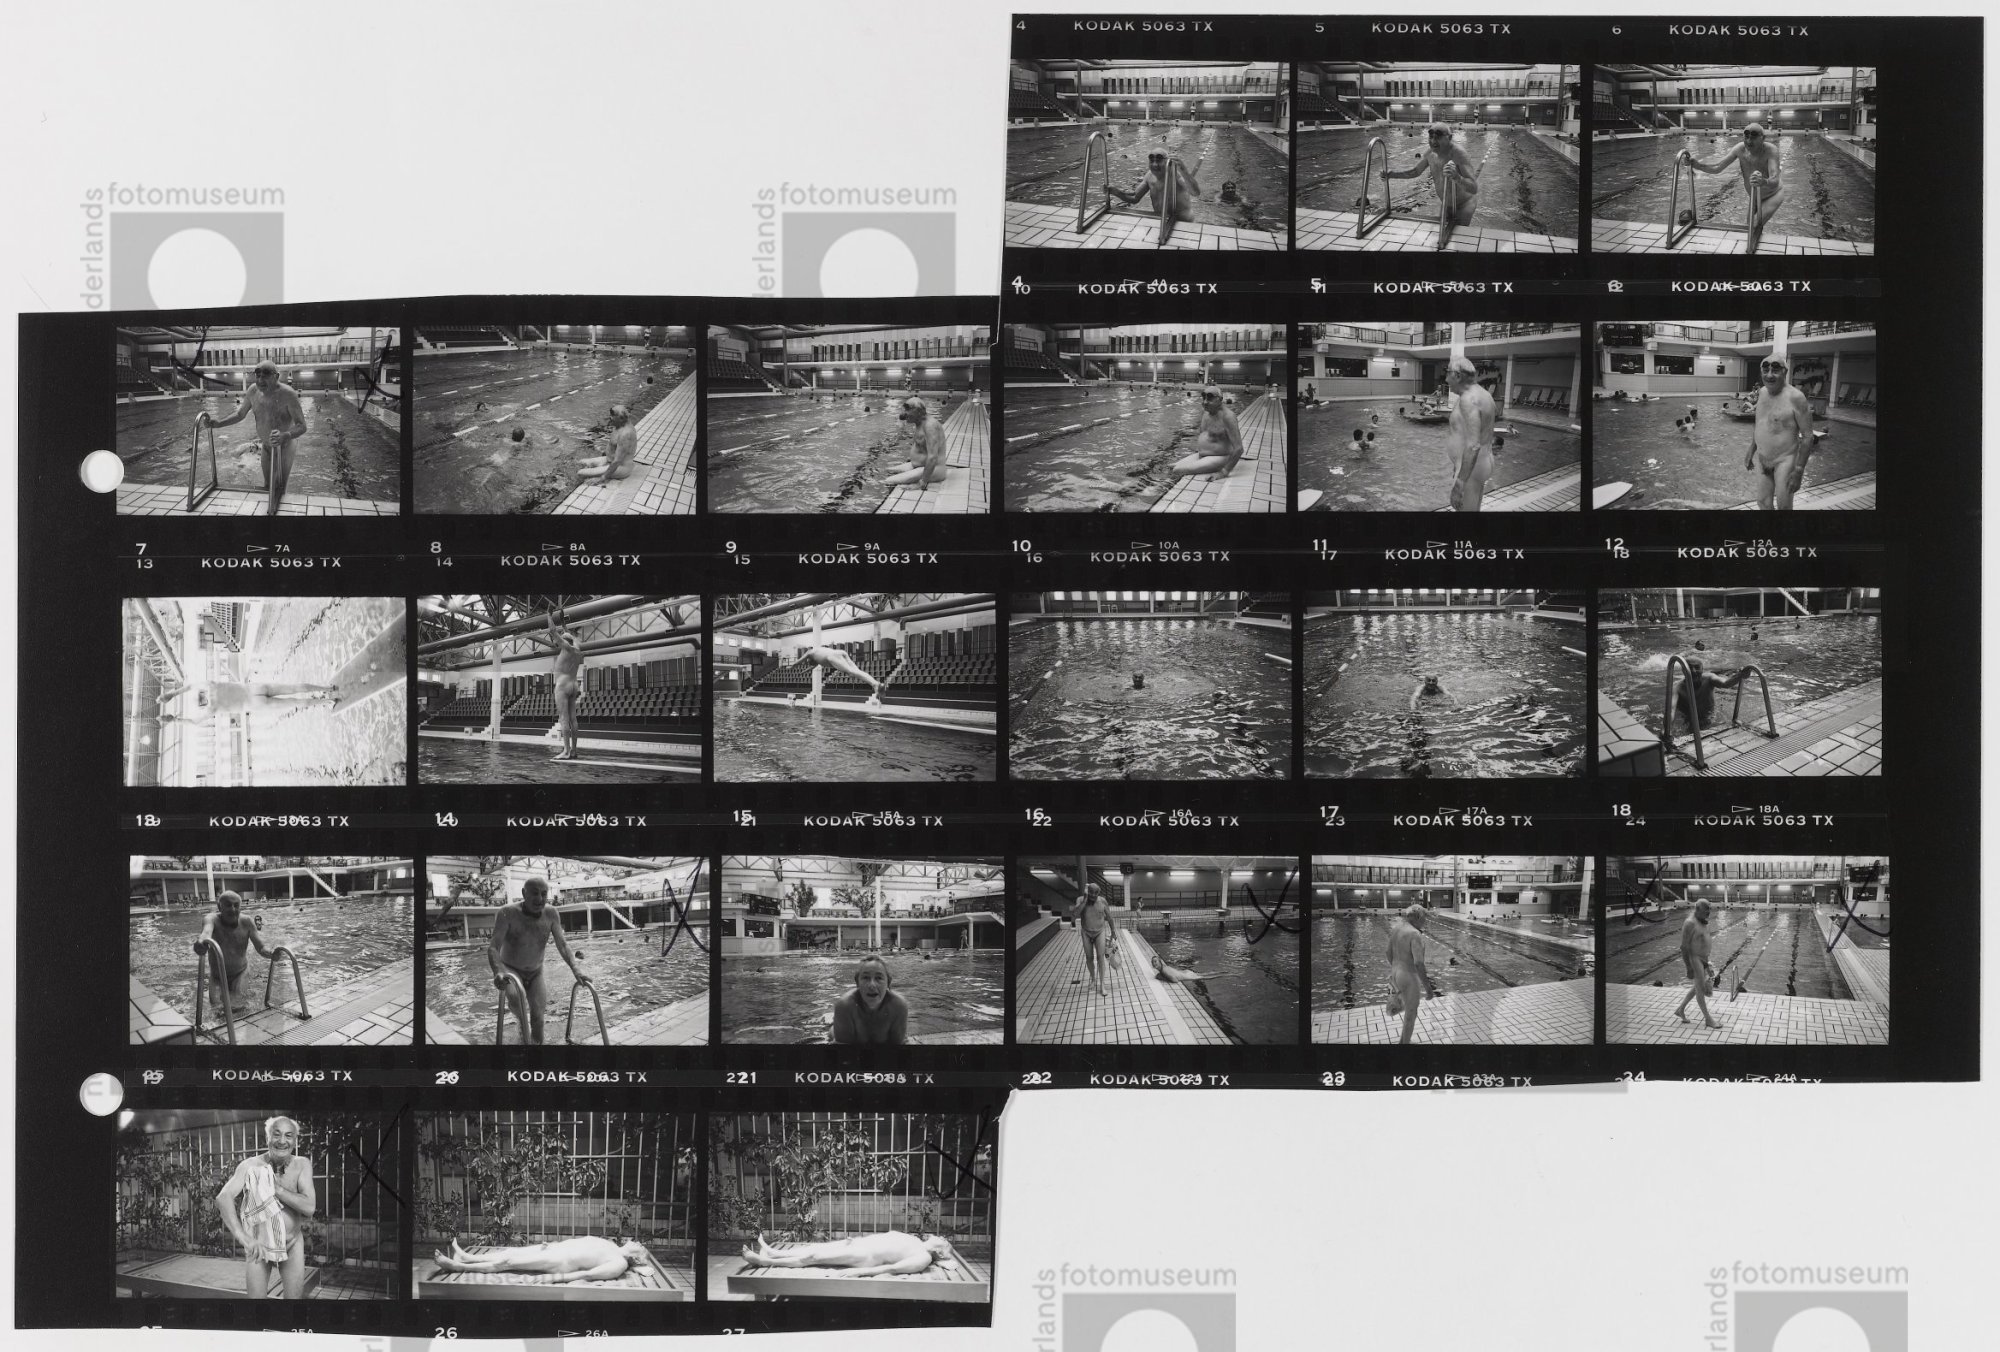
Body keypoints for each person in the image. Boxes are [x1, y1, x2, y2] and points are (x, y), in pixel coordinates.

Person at [215, 1116, 314, 1299]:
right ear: (267, 1137)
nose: (282, 1141)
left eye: (288, 1135)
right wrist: (245, 1238)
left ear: (295, 1140)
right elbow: (223, 1198)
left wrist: (276, 1189)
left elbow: (309, 1207)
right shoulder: (250, 1166)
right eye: (276, 1134)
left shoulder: (302, 1164)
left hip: (292, 1243)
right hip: (259, 1244)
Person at [487, 876, 591, 1045]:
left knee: (538, 1018)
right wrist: (498, 971)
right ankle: (522, 1030)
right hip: (511, 969)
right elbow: (493, 947)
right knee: (518, 1003)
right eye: (535, 893)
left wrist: (576, 969)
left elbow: (563, 945)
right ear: (524, 893)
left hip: (536, 972)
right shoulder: (507, 913)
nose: (540, 899)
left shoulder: (551, 914)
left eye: (544, 894)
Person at [199, 359, 307, 516]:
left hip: (285, 447)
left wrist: (285, 435)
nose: (260, 380)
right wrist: (219, 423)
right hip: (267, 447)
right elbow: (240, 414)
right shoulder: (252, 391)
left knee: (281, 488)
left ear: (276, 376)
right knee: (267, 486)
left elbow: (302, 426)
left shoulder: (288, 394)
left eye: (266, 375)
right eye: (257, 375)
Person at [1683, 123, 1784, 233]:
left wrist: (1763, 181)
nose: (1749, 141)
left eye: (1753, 137)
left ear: (1763, 138)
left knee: (1753, 226)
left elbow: (1775, 179)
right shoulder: (1739, 149)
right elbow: (1717, 167)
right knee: (1749, 226)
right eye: (1746, 137)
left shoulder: (1771, 150)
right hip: (1754, 196)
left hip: (1773, 195)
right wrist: (1697, 165)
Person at [1743, 355, 1815, 510]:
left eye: (1775, 370)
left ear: (1785, 372)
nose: (1769, 375)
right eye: (1765, 370)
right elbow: (1760, 424)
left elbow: (1808, 436)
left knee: (1784, 507)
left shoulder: (1796, 398)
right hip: (1762, 458)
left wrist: (1799, 470)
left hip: (1784, 460)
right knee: (1763, 502)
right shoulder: (1762, 392)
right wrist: (1751, 450)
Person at [193, 889, 280, 1014]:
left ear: (240, 907)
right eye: (228, 905)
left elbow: (261, 947)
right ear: (219, 907)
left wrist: (271, 954)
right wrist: (201, 943)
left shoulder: (247, 922)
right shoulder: (211, 919)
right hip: (217, 976)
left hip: (240, 973)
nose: (233, 909)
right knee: (217, 1010)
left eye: (236, 905)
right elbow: (206, 933)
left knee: (238, 1006)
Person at [1383, 124, 1484, 228]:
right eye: (1431, 137)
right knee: (1440, 232)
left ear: (1449, 138)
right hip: (1446, 204)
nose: (1433, 141)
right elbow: (1416, 171)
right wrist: (1393, 174)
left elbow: (1474, 188)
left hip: (1464, 204)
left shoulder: (1459, 154)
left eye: (1438, 137)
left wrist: (1457, 177)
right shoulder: (1430, 153)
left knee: (1458, 235)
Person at [738, 1230, 953, 1278]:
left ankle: (763, 1261)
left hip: (864, 1257)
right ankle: (773, 1252)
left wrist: (859, 1273)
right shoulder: (917, 1241)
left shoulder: (924, 1257)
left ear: (940, 1254)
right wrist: (856, 1241)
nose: (941, 1237)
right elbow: (886, 1238)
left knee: (813, 1259)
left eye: (944, 1241)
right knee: (815, 1248)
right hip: (860, 1245)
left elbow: (893, 1268)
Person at [432, 1236, 651, 1283]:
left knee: (508, 1263)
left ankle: (458, 1266)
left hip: (559, 1262)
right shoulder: (612, 1245)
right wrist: (554, 1245)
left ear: (637, 1259)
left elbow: (587, 1274)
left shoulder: (619, 1263)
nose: (637, 1242)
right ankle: (468, 1257)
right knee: (510, 1252)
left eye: (641, 1246)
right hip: (556, 1249)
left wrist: (555, 1279)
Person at [1443, 355, 1496, 511]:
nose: (1446, 379)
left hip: (1472, 469)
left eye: (1448, 373)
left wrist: (1460, 482)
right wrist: (1457, 464)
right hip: (1482, 462)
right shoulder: (1485, 394)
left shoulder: (1468, 400)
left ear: (1457, 376)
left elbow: (1473, 445)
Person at [533, 610, 586, 761]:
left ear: (564, 641)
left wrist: (549, 615)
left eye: (561, 639)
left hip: (563, 685)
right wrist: (563, 623)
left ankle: (566, 751)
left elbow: (552, 631)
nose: (559, 641)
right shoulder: (577, 648)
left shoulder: (566, 647)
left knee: (564, 718)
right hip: (574, 685)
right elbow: (570, 635)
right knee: (573, 719)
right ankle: (574, 751)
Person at [1168, 385, 1246, 481]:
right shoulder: (1206, 413)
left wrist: (1223, 472)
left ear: (1220, 399)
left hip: (1220, 457)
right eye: (1204, 397)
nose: (1205, 402)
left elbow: (1239, 449)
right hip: (1202, 455)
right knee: (1171, 467)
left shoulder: (1228, 417)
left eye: (1210, 398)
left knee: (1177, 470)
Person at [830, 953, 909, 1044]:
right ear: (857, 983)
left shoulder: (898, 1006)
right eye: (866, 977)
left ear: (888, 983)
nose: (872, 985)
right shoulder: (845, 1005)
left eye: (879, 978)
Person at [1108, 148, 1200, 222]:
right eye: (1152, 161)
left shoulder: (1176, 174)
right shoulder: (1149, 176)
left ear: (1167, 162)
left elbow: (1195, 192)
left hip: (1183, 222)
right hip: (1162, 220)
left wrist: (1184, 170)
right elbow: (1135, 198)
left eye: (1158, 161)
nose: (1155, 165)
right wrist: (1116, 192)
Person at [1385, 904, 1432, 1045]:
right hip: (1408, 976)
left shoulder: (1397, 929)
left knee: (1408, 1007)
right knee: (1411, 1013)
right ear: (1418, 917)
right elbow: (1419, 963)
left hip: (1395, 973)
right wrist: (1428, 988)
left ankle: (1403, 1041)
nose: (1425, 922)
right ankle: (1404, 1045)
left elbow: (1388, 953)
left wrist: (1397, 968)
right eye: (1424, 918)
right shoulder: (1415, 934)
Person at [1672, 899, 1723, 1028]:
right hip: (1694, 959)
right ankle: (1708, 1019)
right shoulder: (1690, 923)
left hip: (1703, 959)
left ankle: (1680, 1010)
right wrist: (1688, 967)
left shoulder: (1702, 921)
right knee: (1700, 989)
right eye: (1706, 910)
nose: (1709, 913)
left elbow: (1703, 943)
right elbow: (1684, 947)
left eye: (1709, 910)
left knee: (1697, 987)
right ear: (1698, 909)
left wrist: (1707, 963)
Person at [1670, 657, 1750, 734]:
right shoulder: (1677, 688)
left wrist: (1740, 675)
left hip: (1711, 717)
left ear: (1702, 669)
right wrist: (1667, 729)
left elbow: (1725, 683)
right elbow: (1671, 710)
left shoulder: (1709, 678)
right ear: (1683, 670)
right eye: (1689, 668)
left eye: (1697, 667)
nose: (1693, 671)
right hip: (1690, 721)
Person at [883, 396, 949, 488]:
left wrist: (923, 481)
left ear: (918, 411)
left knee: (888, 481)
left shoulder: (930, 426)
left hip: (933, 469)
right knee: (887, 470)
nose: (904, 414)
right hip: (918, 466)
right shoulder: (919, 423)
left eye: (907, 410)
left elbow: (932, 457)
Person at [802, 646, 885, 706]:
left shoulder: (812, 653)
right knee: (856, 672)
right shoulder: (819, 653)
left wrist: (794, 667)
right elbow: (814, 665)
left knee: (851, 672)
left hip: (834, 656)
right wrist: (804, 671)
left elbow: (799, 662)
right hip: (841, 652)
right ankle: (875, 684)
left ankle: (875, 684)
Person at [578, 404, 637, 482]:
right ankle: (601, 468)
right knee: (581, 462)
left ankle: (605, 474)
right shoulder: (619, 425)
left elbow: (617, 461)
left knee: (580, 473)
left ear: (621, 418)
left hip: (621, 467)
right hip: (609, 460)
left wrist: (603, 477)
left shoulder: (626, 434)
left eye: (613, 416)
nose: (610, 418)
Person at [1075, 883, 1116, 996]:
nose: (1093, 895)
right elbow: (1075, 914)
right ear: (1087, 891)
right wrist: (1084, 901)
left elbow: (1109, 917)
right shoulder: (1080, 900)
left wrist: (1113, 931)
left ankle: (1102, 984)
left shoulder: (1102, 901)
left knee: (1100, 957)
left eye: (1095, 893)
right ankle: (1093, 978)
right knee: (1089, 957)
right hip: (1086, 932)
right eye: (1091, 892)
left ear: (1099, 893)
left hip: (1099, 932)